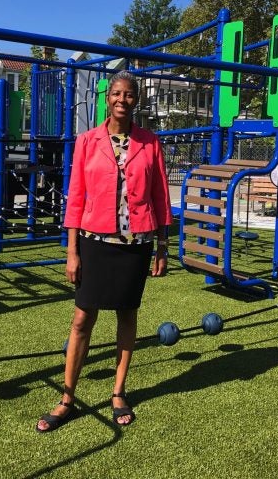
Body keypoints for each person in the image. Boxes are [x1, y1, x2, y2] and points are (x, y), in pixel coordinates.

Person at [36, 70, 172, 432]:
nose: (122, 100)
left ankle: (118, 392)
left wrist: (162, 245)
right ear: (107, 98)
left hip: (136, 244)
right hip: (95, 243)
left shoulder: (150, 143)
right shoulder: (87, 141)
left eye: (129, 95)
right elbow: (76, 198)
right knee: (82, 319)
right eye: (116, 94)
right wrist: (72, 252)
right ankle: (67, 397)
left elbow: (161, 196)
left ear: (136, 100)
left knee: (127, 316)